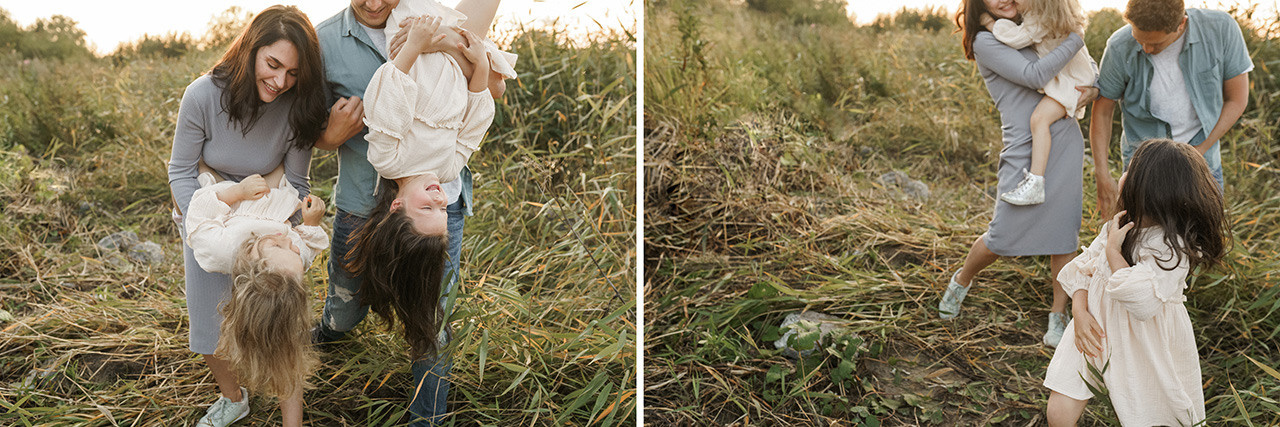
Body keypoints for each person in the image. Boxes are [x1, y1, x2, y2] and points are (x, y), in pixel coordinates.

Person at [312, 1, 507, 424]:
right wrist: (328, 136)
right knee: (347, 309)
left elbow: (490, 95)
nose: (376, 3)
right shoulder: (323, 40)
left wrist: (452, 54)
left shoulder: (416, 171)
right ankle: (331, 330)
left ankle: (427, 417)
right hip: (362, 203)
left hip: (430, 223)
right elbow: (302, 125)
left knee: (431, 316)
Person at [167, 5, 327, 426]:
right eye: (273, 65)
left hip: (269, 223)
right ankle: (233, 398)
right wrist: (200, 225)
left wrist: (287, 242)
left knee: (281, 328)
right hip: (210, 218)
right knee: (207, 330)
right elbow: (182, 171)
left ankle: (290, 408)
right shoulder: (202, 95)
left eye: (293, 73)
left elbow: (296, 182)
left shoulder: (296, 106)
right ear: (251, 49)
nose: (280, 82)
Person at [940, 0, 1097, 348]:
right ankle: (962, 280)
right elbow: (1034, 76)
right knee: (1002, 235)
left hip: (1064, 139)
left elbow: (1083, 69)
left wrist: (1094, 87)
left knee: (1064, 235)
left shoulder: (1037, 23)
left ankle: (1058, 316)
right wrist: (1077, 37)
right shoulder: (988, 41)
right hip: (1023, 146)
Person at [1044, 139, 1227, 426]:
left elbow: (1140, 300)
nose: (1124, 175)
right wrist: (1079, 312)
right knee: (1059, 409)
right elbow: (1083, 268)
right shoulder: (1119, 224)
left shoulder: (1171, 247)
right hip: (1092, 326)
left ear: (1150, 189)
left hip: (1143, 339)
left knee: (1149, 411)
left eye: (1132, 170)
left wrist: (1114, 253)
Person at [183, 163, 328, 413]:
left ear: (251, 254)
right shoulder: (292, 260)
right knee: (279, 167)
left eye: (277, 247)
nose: (286, 238)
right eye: (292, 250)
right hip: (277, 197)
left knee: (203, 166)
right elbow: (306, 244)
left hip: (231, 193)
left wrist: (237, 192)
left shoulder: (219, 249)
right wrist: (311, 223)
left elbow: (199, 213)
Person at [1090, 0, 1251, 215]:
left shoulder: (1221, 29)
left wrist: (1200, 150)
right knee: (1140, 245)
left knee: (1202, 244)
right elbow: (1102, 111)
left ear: (1181, 24)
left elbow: (1237, 99)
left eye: (1155, 44)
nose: (1146, 49)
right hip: (1143, 169)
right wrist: (1102, 174)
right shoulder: (1118, 46)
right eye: (1139, 40)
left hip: (1203, 164)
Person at [984, 0, 1098, 206]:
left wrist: (990, 24)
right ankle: (1035, 183)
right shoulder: (1053, 18)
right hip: (1076, 80)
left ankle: (1035, 182)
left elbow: (1015, 39)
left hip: (1072, 84)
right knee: (1040, 120)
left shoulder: (1040, 21)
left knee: (1039, 119)